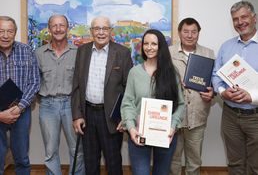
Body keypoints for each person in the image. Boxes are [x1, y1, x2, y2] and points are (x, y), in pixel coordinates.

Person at [71, 16, 133, 175]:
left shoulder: (122, 53)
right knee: (90, 163)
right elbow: (77, 86)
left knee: (113, 164)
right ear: (91, 31)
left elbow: (128, 88)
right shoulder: (82, 51)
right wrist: (77, 115)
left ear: (110, 31)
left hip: (112, 118)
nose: (100, 32)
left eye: (104, 28)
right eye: (96, 29)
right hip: (88, 115)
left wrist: (122, 116)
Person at [121, 29, 185, 175]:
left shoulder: (171, 72)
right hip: (139, 134)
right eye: (146, 43)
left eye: (154, 44)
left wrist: (172, 127)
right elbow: (127, 103)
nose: (149, 47)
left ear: (161, 46)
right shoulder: (134, 72)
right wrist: (131, 128)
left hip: (165, 134)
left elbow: (180, 104)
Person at [212, 1, 258, 175]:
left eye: (244, 17)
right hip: (230, 115)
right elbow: (216, 74)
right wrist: (223, 92)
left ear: (254, 18)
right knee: (235, 164)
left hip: (255, 116)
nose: (240, 22)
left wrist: (251, 97)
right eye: (235, 19)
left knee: (255, 166)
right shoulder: (226, 46)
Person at [35, 14, 84, 175]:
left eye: (62, 25)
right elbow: (35, 81)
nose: (58, 29)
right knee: (50, 151)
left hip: (71, 105)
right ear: (49, 29)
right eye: (54, 26)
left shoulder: (79, 53)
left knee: (76, 149)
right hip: (47, 106)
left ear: (67, 28)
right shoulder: (39, 53)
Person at [169, 18, 215, 175]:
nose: (189, 35)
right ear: (179, 33)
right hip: (174, 116)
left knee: (194, 161)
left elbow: (213, 80)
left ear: (198, 33)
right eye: (186, 31)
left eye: (193, 32)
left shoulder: (208, 54)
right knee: (173, 160)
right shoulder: (168, 53)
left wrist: (212, 92)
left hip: (197, 116)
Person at [0, 16, 40, 174]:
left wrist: (20, 107)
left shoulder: (27, 50)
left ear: (15, 33)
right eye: (1, 31)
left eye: (9, 31)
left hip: (21, 112)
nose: (5, 35)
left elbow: (34, 82)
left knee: (22, 157)